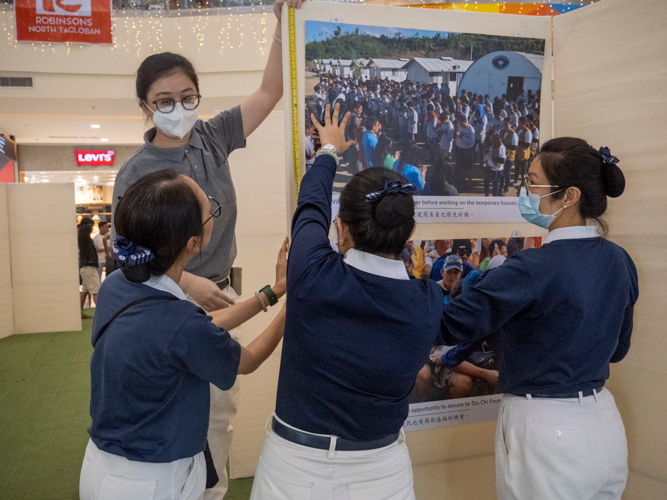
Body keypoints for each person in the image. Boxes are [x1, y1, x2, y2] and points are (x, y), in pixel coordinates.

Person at [110, 1, 305, 497]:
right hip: (163, 299)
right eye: (164, 100)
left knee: (219, 411)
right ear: (145, 107)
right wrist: (185, 280)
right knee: (175, 409)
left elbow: (270, 90)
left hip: (218, 292)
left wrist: (284, 24)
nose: (178, 108)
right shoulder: (136, 170)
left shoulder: (213, 137)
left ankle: (209, 489)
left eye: (187, 96)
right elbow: (122, 250)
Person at [250, 103, 445, 500]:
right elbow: (312, 214)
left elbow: (309, 210)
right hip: (382, 474)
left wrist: (327, 153)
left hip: (293, 470)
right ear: (409, 237)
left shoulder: (312, 275)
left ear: (340, 231)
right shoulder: (427, 301)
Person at [436, 138, 638, 499]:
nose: (524, 191)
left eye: (532, 182)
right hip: (604, 422)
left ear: (569, 196)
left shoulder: (531, 268)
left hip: (545, 427)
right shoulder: (619, 260)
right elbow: (618, 350)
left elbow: (451, 323)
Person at [80, 169, 289, 500]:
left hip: (102, 466)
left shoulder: (118, 286)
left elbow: (196, 327)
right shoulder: (178, 323)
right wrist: (292, 309)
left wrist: (272, 293)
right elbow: (245, 361)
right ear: (194, 243)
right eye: (210, 211)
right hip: (153, 481)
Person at [78, 218, 100, 319]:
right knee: (96, 290)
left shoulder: (83, 238)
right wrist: (86, 224)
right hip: (88, 267)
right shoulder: (83, 236)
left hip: (85, 266)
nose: (92, 228)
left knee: (84, 292)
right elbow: (85, 228)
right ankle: (102, 315)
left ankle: (79, 313)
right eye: (91, 226)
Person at [486, 130, 506, 197]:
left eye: (491, 137)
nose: (490, 139)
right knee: (487, 184)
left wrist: (490, 158)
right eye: (489, 137)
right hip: (489, 168)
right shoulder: (491, 145)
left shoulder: (501, 147)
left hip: (497, 170)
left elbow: (502, 160)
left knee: (495, 186)